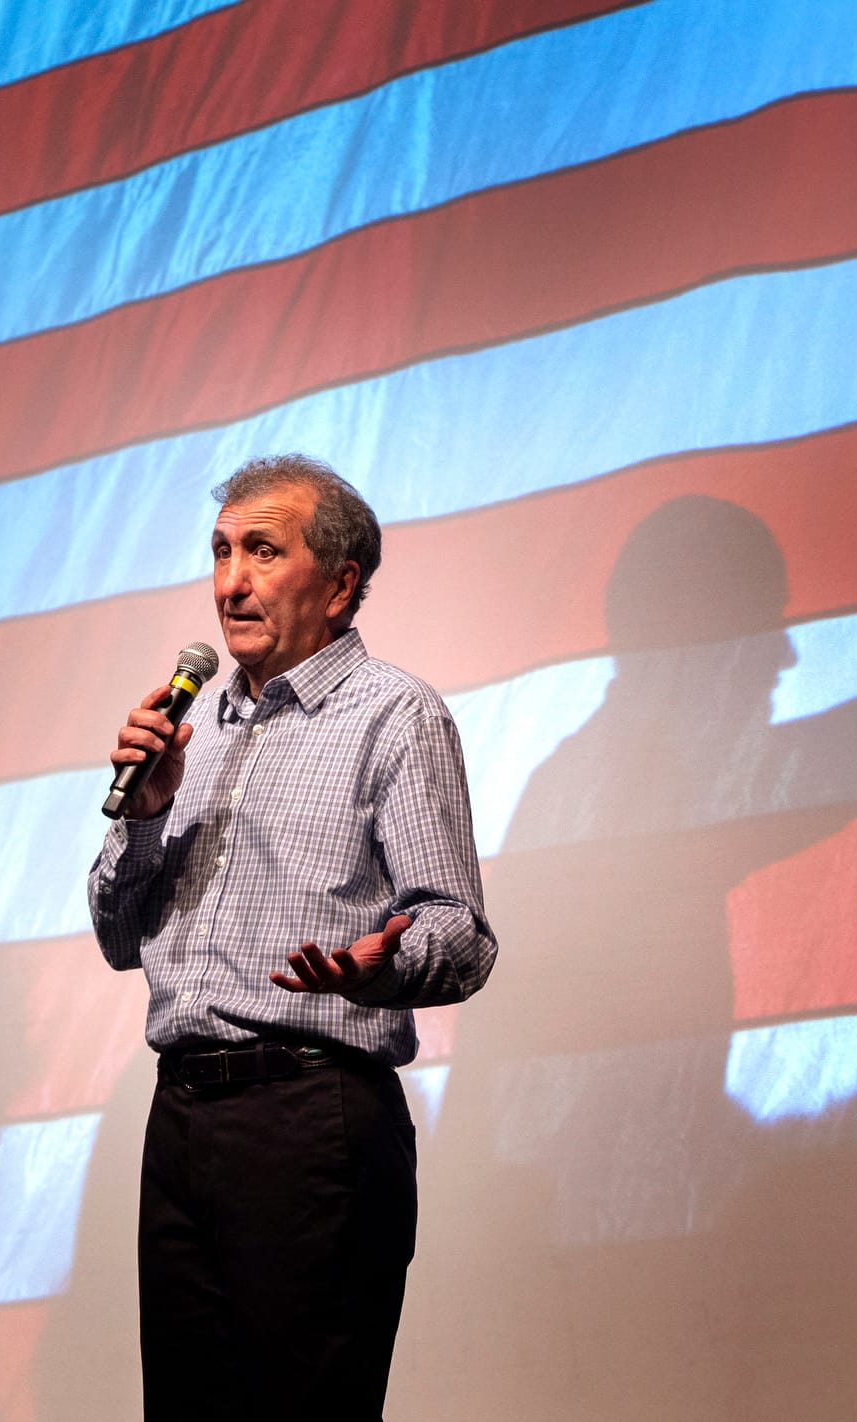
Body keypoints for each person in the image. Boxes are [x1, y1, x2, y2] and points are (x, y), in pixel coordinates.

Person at [87, 453, 496, 1421]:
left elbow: (462, 933)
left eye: (262, 552)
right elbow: (114, 937)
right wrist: (143, 817)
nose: (230, 581)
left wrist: (382, 962)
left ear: (340, 582)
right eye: (221, 552)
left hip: (313, 1120)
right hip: (181, 1122)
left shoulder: (395, 717)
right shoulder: (193, 730)